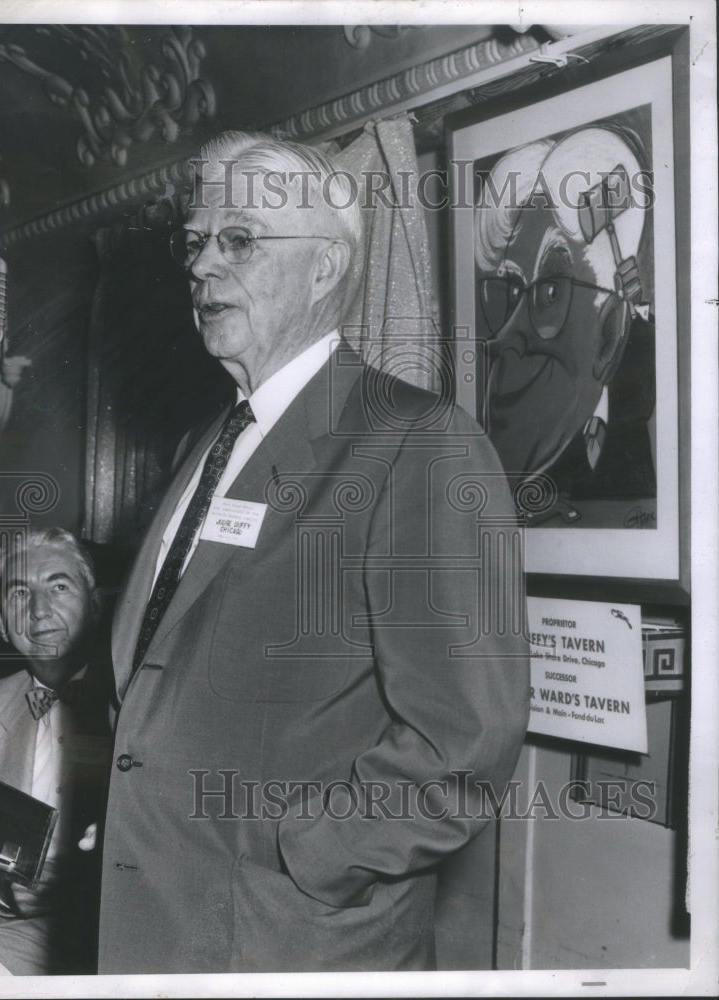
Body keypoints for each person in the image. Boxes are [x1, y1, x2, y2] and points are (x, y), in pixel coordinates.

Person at [98, 131, 530, 973]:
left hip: (286, 945)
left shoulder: (412, 441)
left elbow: (465, 742)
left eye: (238, 240)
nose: (200, 267)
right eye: (194, 242)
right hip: (152, 921)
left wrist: (308, 857)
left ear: (325, 267)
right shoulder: (208, 441)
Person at [0, 527, 111, 975]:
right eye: (20, 592)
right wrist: (3, 887)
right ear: (0, 619)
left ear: (95, 605)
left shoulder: (139, 699)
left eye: (59, 587)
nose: (40, 611)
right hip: (29, 927)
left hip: (126, 917)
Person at [475, 125, 656, 507]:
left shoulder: (645, 414)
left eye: (550, 293)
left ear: (609, 332)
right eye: (508, 289)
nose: (504, 337)